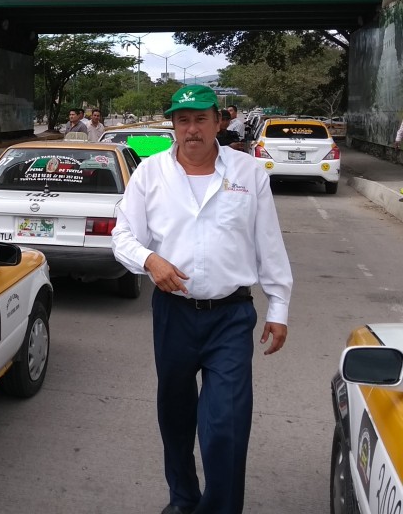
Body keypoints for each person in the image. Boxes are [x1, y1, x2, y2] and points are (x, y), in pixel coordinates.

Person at [111, 85, 293, 514]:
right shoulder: (150, 174)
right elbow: (122, 235)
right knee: (175, 418)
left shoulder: (249, 174)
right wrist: (150, 260)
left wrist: (279, 306)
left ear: (219, 121)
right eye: (182, 120)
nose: (191, 129)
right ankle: (183, 499)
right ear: (173, 124)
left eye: (200, 119)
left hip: (230, 316)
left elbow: (269, 244)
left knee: (226, 426)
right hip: (173, 315)